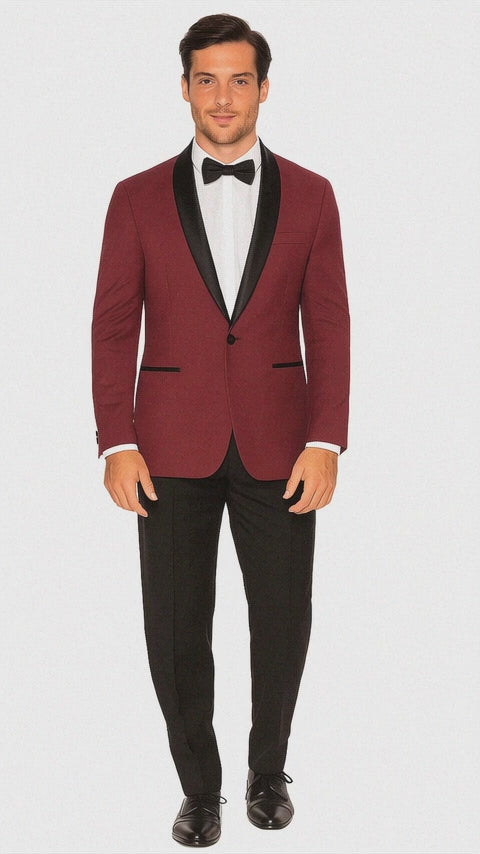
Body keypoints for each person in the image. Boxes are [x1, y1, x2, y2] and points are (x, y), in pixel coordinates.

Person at [91, 12, 350, 848]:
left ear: (264, 88)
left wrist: (327, 438)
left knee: (282, 618)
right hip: (166, 447)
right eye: (207, 79)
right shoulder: (134, 197)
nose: (224, 97)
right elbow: (112, 325)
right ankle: (198, 790)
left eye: (240, 79)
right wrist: (116, 440)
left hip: (284, 445)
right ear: (185, 88)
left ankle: (268, 772)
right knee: (174, 626)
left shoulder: (313, 194)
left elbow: (329, 323)